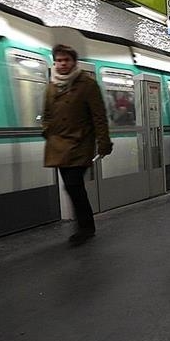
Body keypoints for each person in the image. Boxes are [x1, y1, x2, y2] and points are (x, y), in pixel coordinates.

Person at [42, 44, 112, 245]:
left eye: (67, 60)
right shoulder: (51, 86)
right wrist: (47, 130)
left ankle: (85, 227)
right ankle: (85, 226)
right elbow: (46, 113)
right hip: (58, 144)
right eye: (59, 60)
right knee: (72, 186)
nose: (63, 64)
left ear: (74, 62)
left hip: (80, 143)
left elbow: (99, 116)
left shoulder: (87, 85)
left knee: (73, 184)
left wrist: (103, 142)